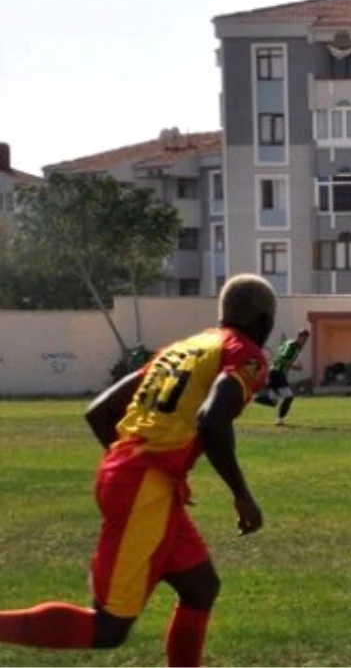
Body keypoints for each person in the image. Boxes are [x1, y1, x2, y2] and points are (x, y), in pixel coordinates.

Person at [0, 274, 275, 667]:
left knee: (201, 587)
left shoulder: (184, 348)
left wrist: (132, 466)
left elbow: (99, 412)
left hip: (145, 481)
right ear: (264, 323)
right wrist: (242, 496)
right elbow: (212, 420)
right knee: (109, 627)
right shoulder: (245, 353)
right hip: (145, 484)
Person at [254, 329, 309, 426]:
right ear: (298, 336)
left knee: (273, 401)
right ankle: (280, 419)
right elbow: (281, 359)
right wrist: (295, 366)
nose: (304, 341)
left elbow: (282, 355)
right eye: (303, 338)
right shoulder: (292, 346)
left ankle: (252, 398)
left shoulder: (292, 345)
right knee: (289, 397)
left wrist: (293, 366)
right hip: (277, 373)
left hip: (276, 372)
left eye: (306, 339)